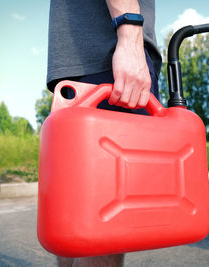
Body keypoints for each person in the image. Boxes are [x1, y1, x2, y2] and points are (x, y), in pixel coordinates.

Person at [46, 0, 161, 266]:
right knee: (107, 218)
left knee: (75, 217)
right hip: (109, 52)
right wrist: (129, 30)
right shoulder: (121, 39)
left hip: (80, 62)